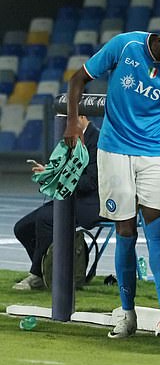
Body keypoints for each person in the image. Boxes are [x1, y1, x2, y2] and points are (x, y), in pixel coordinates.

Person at [64, 14, 160, 338]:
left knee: (158, 225)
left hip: (155, 153)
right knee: (126, 230)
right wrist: (73, 121)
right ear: (159, 41)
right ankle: (127, 313)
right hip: (114, 151)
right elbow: (78, 79)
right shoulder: (125, 45)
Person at [13, 115, 100, 290]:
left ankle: (37, 274)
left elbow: (90, 182)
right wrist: (49, 172)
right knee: (22, 228)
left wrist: (60, 178)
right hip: (69, 198)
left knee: (46, 219)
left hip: (91, 202)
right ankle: (51, 270)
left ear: (81, 116)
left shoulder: (96, 140)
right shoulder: (72, 138)